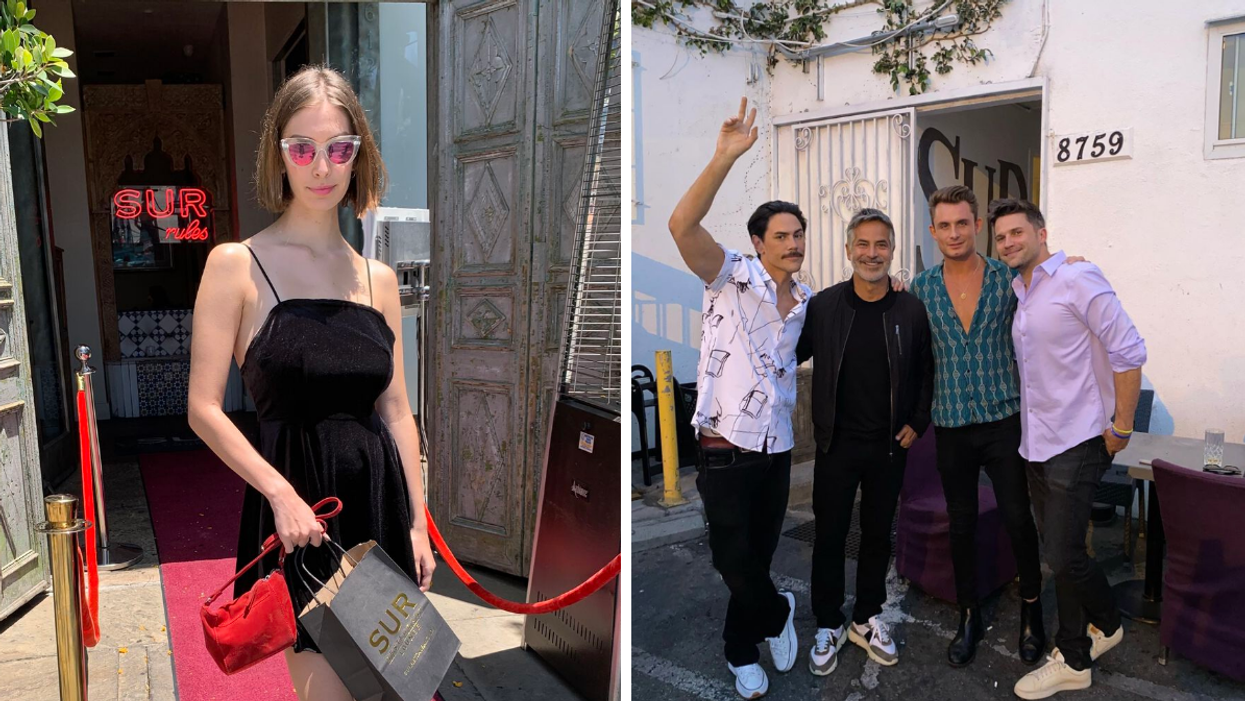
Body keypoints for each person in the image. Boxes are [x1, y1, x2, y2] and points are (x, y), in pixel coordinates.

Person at [187, 65, 438, 701]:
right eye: (303, 148)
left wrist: (418, 519)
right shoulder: (236, 266)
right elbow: (203, 408)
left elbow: (397, 410)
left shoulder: (377, 279)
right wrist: (280, 494)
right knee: (328, 690)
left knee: (393, 685)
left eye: (338, 148)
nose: (321, 166)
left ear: (360, 157)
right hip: (301, 514)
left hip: (377, 501)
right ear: (281, 155)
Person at [668, 96, 807, 700]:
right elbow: (681, 226)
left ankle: (737, 647)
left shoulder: (807, 303)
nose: (793, 243)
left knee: (756, 555)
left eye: (799, 234)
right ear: (758, 241)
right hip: (724, 448)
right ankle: (777, 612)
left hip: (777, 451)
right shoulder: (729, 276)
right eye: (782, 235)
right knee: (733, 559)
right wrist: (724, 156)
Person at [991, 198, 1146, 700]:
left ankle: (1101, 628)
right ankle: (1078, 652)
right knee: (1065, 551)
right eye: (1001, 237)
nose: (1009, 242)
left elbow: (1128, 350)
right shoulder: (1022, 289)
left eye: (1018, 232)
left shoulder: (1078, 279)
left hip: (1078, 439)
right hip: (1037, 441)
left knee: (1060, 552)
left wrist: (1121, 428)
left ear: (1041, 232)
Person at [908, 186, 1045, 667]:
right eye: (943, 225)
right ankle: (969, 614)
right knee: (960, 523)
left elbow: (1050, 289)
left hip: (1003, 419)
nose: (953, 233)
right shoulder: (920, 288)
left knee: (1016, 517)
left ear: (976, 226)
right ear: (933, 231)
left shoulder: (1009, 278)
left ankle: (1033, 610)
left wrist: (1067, 264)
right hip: (950, 423)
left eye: (961, 223)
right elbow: (915, 358)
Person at [796, 208, 933, 675]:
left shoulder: (910, 308)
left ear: (892, 251)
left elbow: (925, 370)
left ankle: (866, 617)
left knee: (878, 535)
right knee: (829, 537)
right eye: (863, 244)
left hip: (889, 446)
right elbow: (784, 351)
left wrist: (920, 419)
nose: (871, 253)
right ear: (848, 249)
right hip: (836, 445)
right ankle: (829, 623)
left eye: (881, 245)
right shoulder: (824, 306)